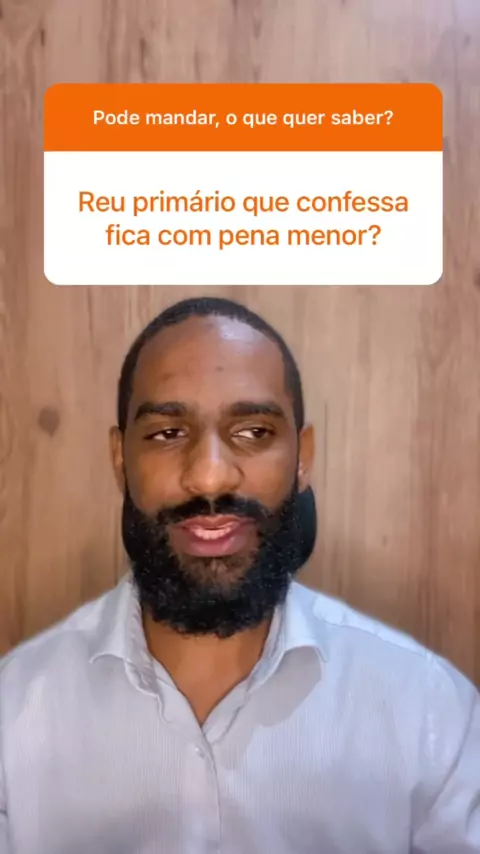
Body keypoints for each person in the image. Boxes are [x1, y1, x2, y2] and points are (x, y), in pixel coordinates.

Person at [0, 296, 479, 854]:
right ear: (119, 459)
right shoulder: (15, 712)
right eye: (167, 433)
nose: (209, 477)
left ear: (303, 457)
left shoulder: (430, 712)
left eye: (253, 431)